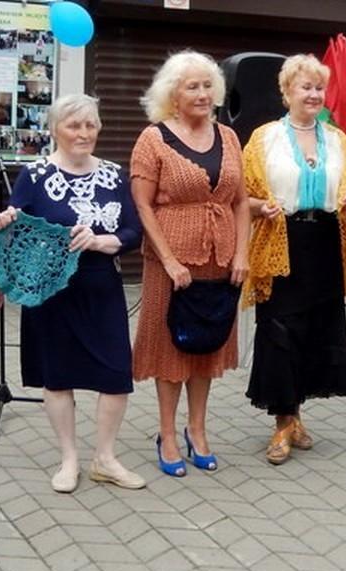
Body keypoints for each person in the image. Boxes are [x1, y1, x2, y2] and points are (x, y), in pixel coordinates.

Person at [0, 94, 146, 493]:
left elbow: (133, 232)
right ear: (54, 129)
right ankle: (69, 459)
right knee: (58, 376)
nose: (83, 133)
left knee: (116, 375)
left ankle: (105, 458)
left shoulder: (114, 175)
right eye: (74, 125)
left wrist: (100, 241)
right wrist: (2, 221)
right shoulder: (35, 175)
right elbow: (16, 223)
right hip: (51, 290)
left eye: (91, 125)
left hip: (101, 286)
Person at [130, 50, 250, 477]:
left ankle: (196, 429)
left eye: (207, 86)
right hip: (172, 265)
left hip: (220, 260)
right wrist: (169, 260)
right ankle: (166, 433)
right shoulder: (153, 139)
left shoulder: (229, 137)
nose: (202, 94)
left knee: (207, 346)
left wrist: (242, 253)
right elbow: (143, 206)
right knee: (170, 349)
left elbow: (240, 202)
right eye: (192, 86)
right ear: (173, 94)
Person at [242, 54, 346, 465]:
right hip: (282, 240)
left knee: (313, 331)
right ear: (287, 91)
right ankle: (281, 421)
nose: (313, 95)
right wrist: (260, 207)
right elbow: (242, 196)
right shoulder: (264, 138)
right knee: (280, 330)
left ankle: (296, 416)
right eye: (305, 87)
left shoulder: (337, 139)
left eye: (319, 88)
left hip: (325, 242)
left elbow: (344, 189)